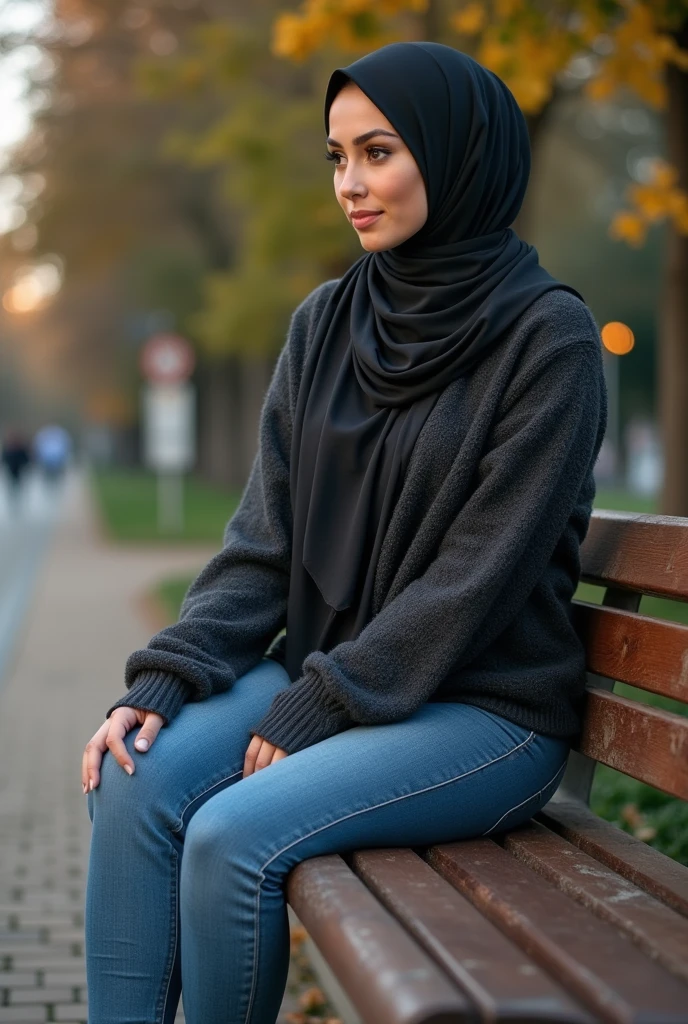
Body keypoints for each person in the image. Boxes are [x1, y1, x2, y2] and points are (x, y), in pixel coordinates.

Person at [82, 42, 607, 1024]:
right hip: (336, 675)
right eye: (336, 158)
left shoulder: (549, 339)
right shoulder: (327, 321)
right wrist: (167, 674)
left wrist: (320, 702)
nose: (350, 186)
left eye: (378, 152)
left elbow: (475, 579)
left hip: (485, 708)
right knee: (132, 775)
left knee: (230, 833)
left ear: (457, 158)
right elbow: (262, 543)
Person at [1, 429, 31, 508]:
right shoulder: (8, 447)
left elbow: (26, 459)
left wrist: (25, 465)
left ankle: (17, 500)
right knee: (11, 486)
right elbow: (4, 458)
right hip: (11, 470)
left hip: (19, 470)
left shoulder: (20, 448)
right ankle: (13, 501)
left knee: (18, 486)